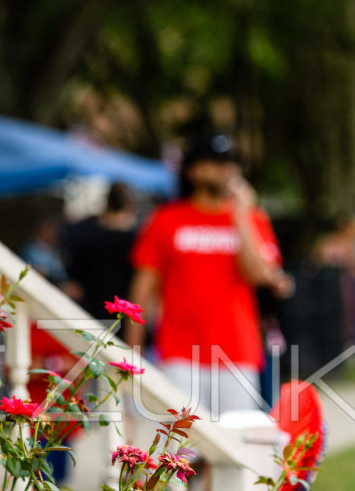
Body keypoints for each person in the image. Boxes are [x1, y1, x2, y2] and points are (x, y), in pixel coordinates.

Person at [126, 133, 293, 414]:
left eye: (231, 163)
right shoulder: (166, 219)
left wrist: (241, 215)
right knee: (183, 451)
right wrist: (132, 351)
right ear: (194, 171)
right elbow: (142, 288)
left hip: (238, 352)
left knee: (236, 446)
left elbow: (259, 275)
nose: (228, 170)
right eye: (217, 163)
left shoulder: (253, 218)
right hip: (179, 353)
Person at [64, 182, 140, 330]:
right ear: (130, 205)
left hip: (92, 314)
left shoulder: (85, 234)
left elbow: (74, 278)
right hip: (126, 315)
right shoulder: (137, 239)